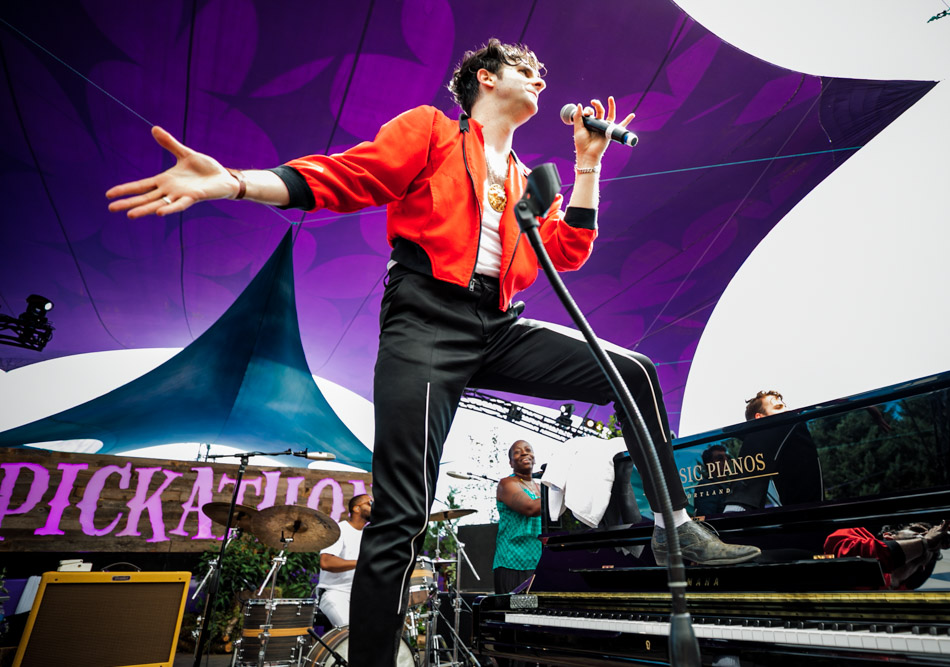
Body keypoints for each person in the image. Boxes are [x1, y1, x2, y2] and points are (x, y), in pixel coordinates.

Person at [106, 39, 759, 666]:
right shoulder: (432, 131)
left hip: (497, 325)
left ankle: (675, 522)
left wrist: (588, 164)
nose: (540, 79)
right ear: (485, 78)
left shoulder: (529, 178)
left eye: (542, 73)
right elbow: (350, 176)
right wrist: (237, 183)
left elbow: (568, 250)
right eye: (524, 68)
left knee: (635, 372)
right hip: (425, 324)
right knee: (403, 513)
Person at [725, 390, 823, 511]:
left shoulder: (789, 455)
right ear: (760, 419)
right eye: (778, 408)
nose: (787, 411)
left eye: (786, 407)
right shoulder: (788, 424)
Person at [824, 520, 950, 589]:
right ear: (889, 536)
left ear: (923, 567)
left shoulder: (915, 602)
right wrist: (925, 542)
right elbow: (853, 555)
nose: (923, 536)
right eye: (917, 532)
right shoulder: (853, 533)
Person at [494, 440, 542, 594]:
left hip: (536, 562)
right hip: (512, 563)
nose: (524, 453)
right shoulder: (507, 483)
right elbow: (530, 508)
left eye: (528, 449)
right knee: (516, 614)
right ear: (511, 462)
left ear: (534, 457)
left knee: (536, 614)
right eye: (517, 452)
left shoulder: (539, 488)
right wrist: (559, 490)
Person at [316, 493, 372, 627]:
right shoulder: (340, 530)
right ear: (356, 509)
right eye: (370, 503)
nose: (374, 507)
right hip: (335, 593)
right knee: (350, 632)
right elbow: (326, 562)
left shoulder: (369, 535)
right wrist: (361, 563)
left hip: (361, 595)